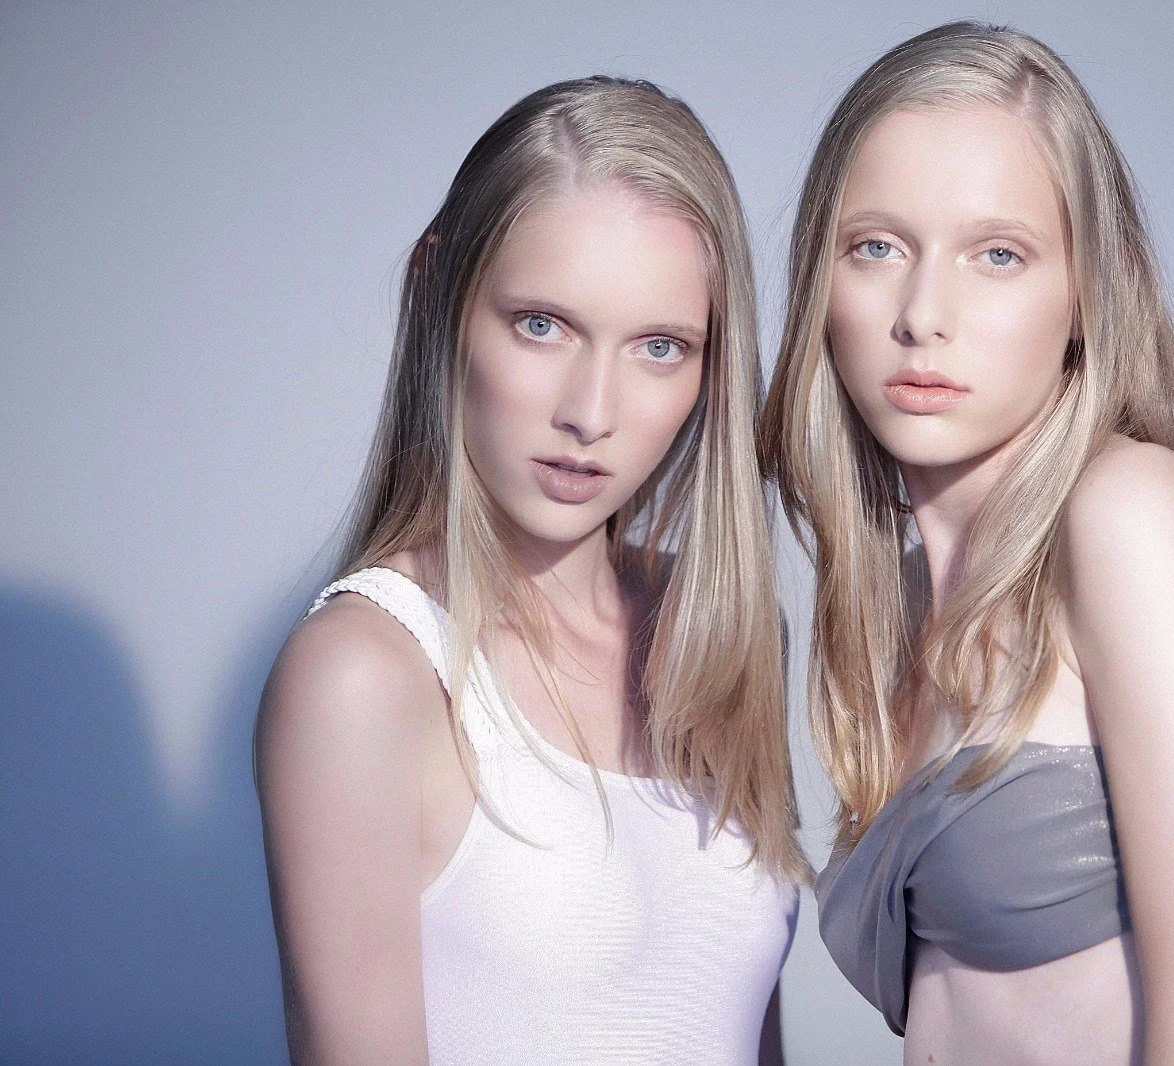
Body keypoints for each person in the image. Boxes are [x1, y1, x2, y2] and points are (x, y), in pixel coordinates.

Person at [759, 22, 1174, 1065]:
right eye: (874, 247)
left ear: (1083, 297)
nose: (924, 314)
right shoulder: (918, 609)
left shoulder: (1129, 516)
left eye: (997, 255)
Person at [256, 76, 805, 1065]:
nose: (590, 412)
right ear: (439, 293)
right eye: (542, 324)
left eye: (659, 346)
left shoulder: (723, 633)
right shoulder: (365, 678)